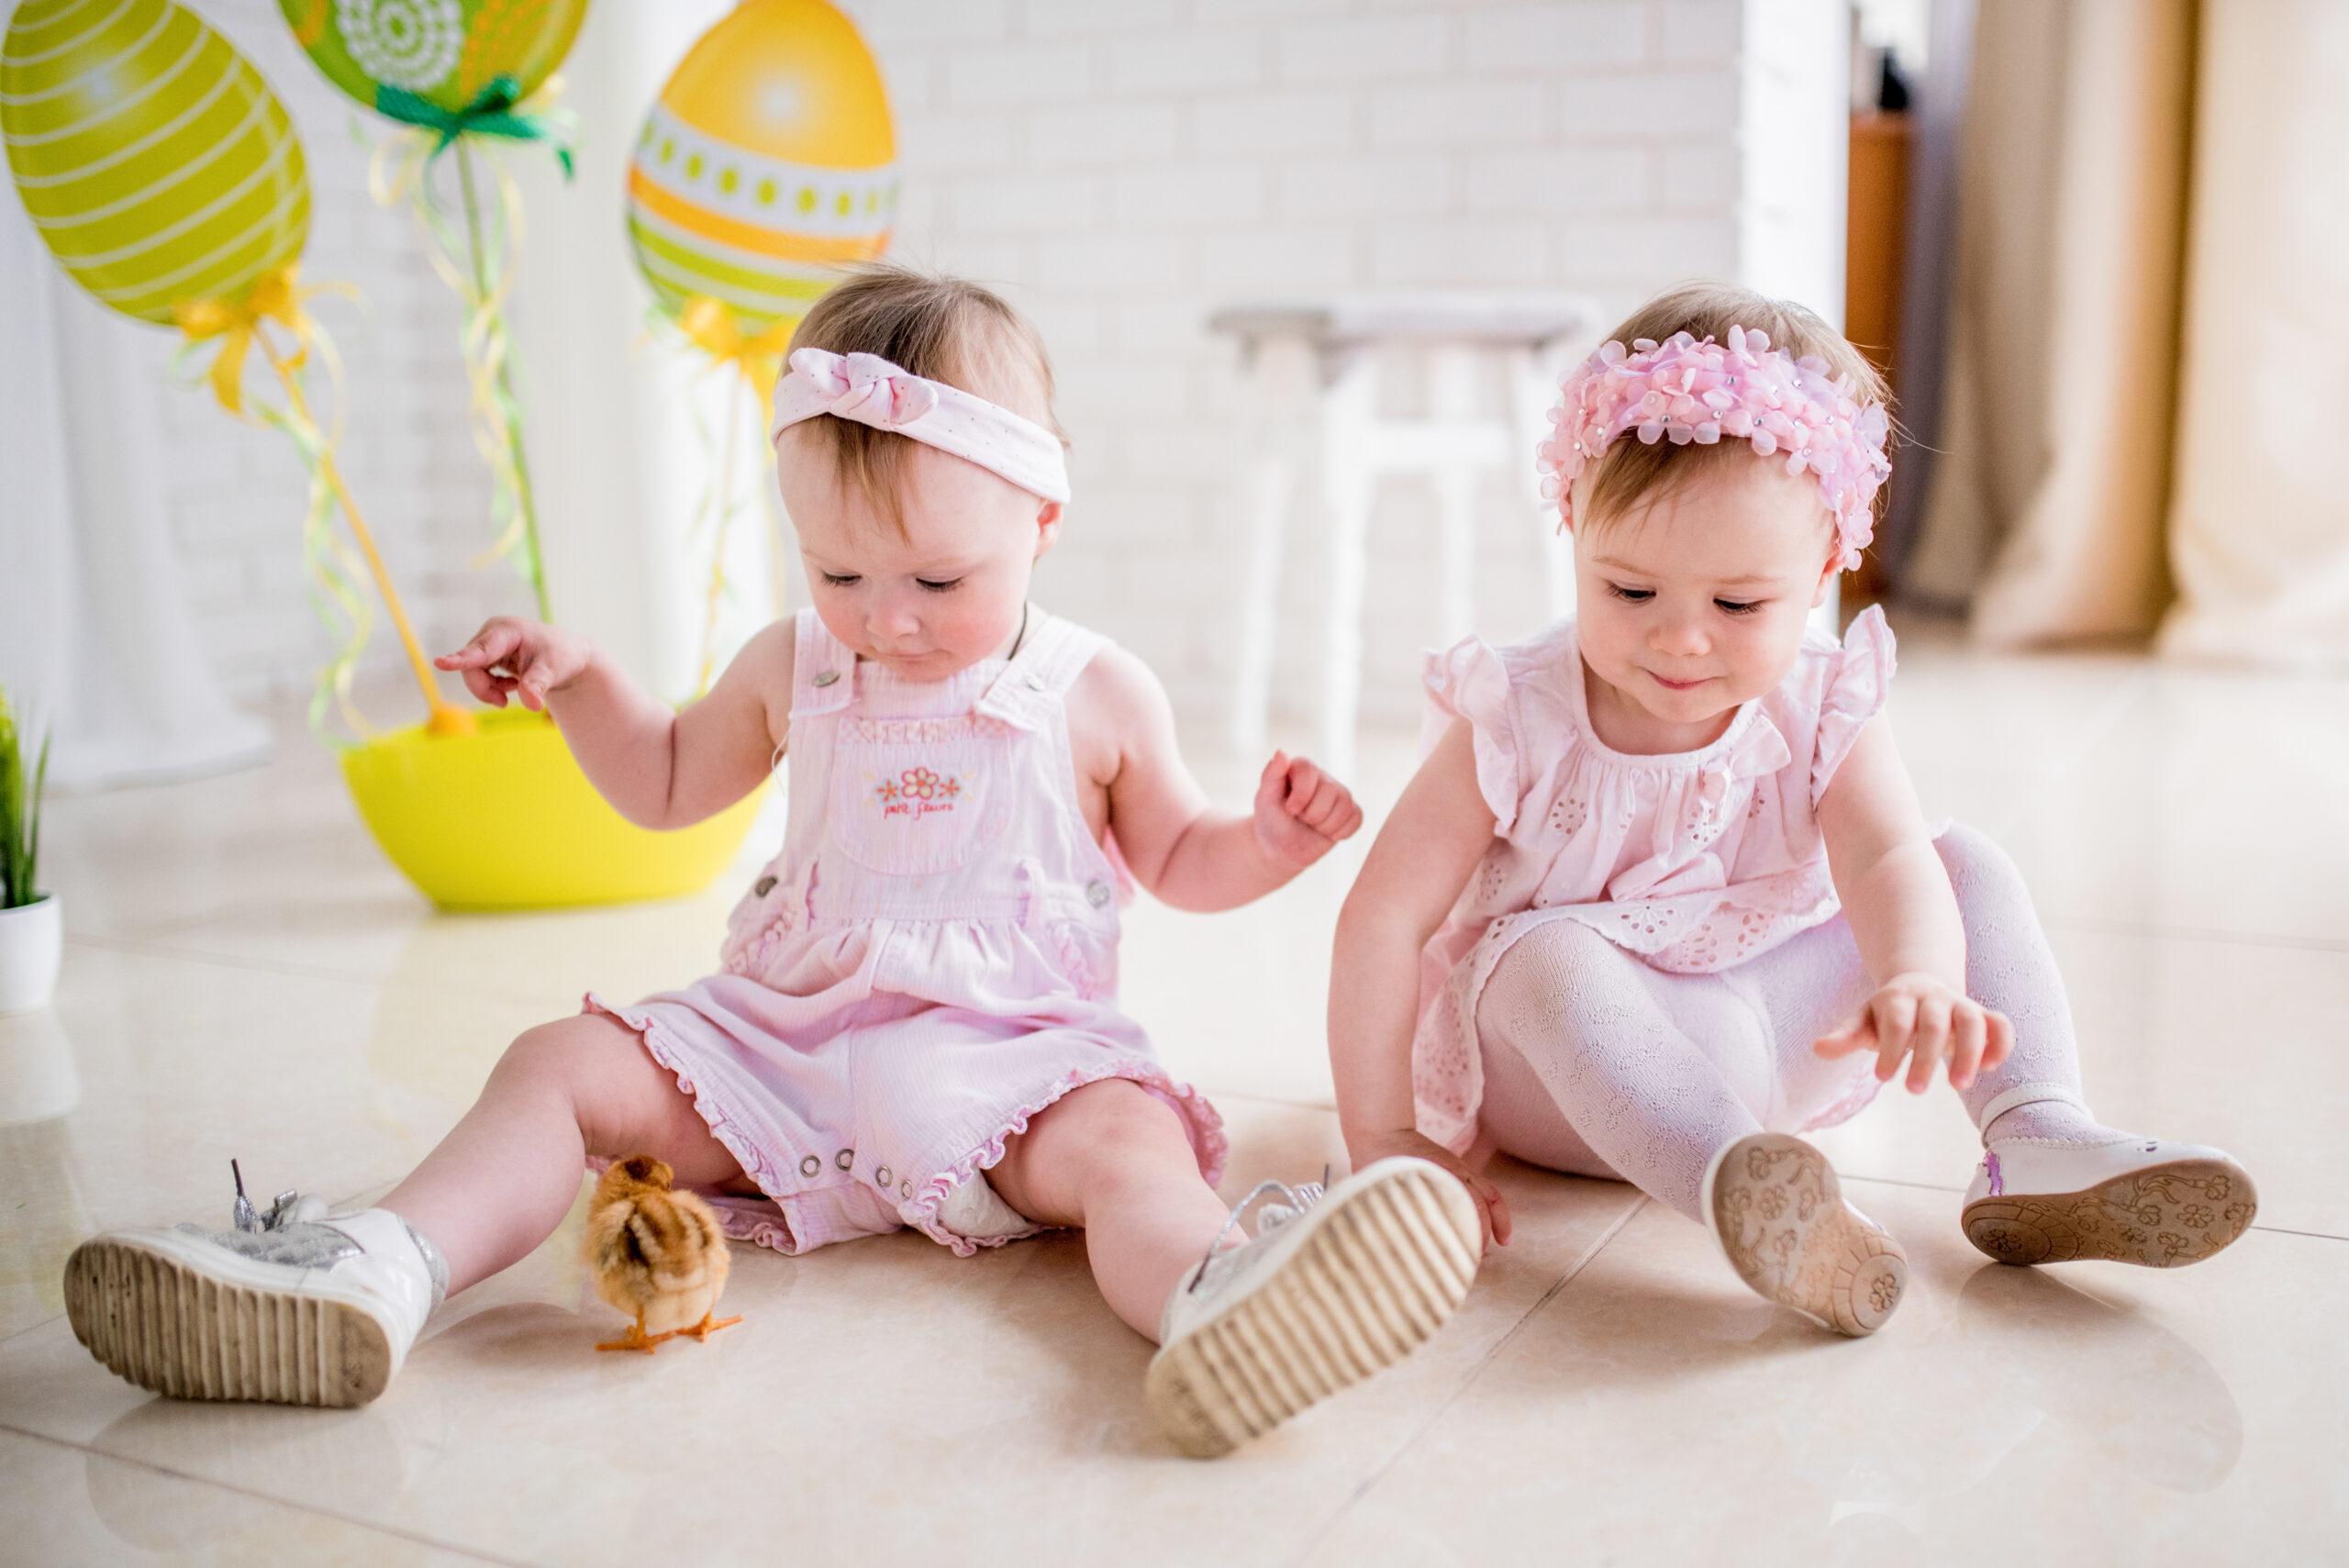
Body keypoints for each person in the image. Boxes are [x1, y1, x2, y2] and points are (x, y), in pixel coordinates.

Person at [62, 264, 1481, 1458]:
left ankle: (1217, 1300)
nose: (888, 621)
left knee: (1136, 1146)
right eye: (838, 574)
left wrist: (1271, 841)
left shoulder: (1095, 690)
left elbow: (1180, 854)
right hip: (783, 1049)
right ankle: (379, 1269)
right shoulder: (792, 664)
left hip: (1013, 1065)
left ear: (1041, 521)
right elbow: (669, 783)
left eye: (938, 581)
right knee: (559, 1066)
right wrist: (583, 686)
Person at [1328, 282, 2255, 1337]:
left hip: (1767, 1026)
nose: (1680, 640)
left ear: (1821, 569)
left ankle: (2035, 1130)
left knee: (1963, 862)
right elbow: (1383, 916)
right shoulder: (1515, 712)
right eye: (1629, 592)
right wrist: (1382, 1131)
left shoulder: (1822, 696)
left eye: (1736, 604)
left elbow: (1884, 858)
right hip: (1565, 1072)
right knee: (1547, 955)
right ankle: (1742, 1187)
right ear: (1573, 525)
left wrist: (1918, 972)